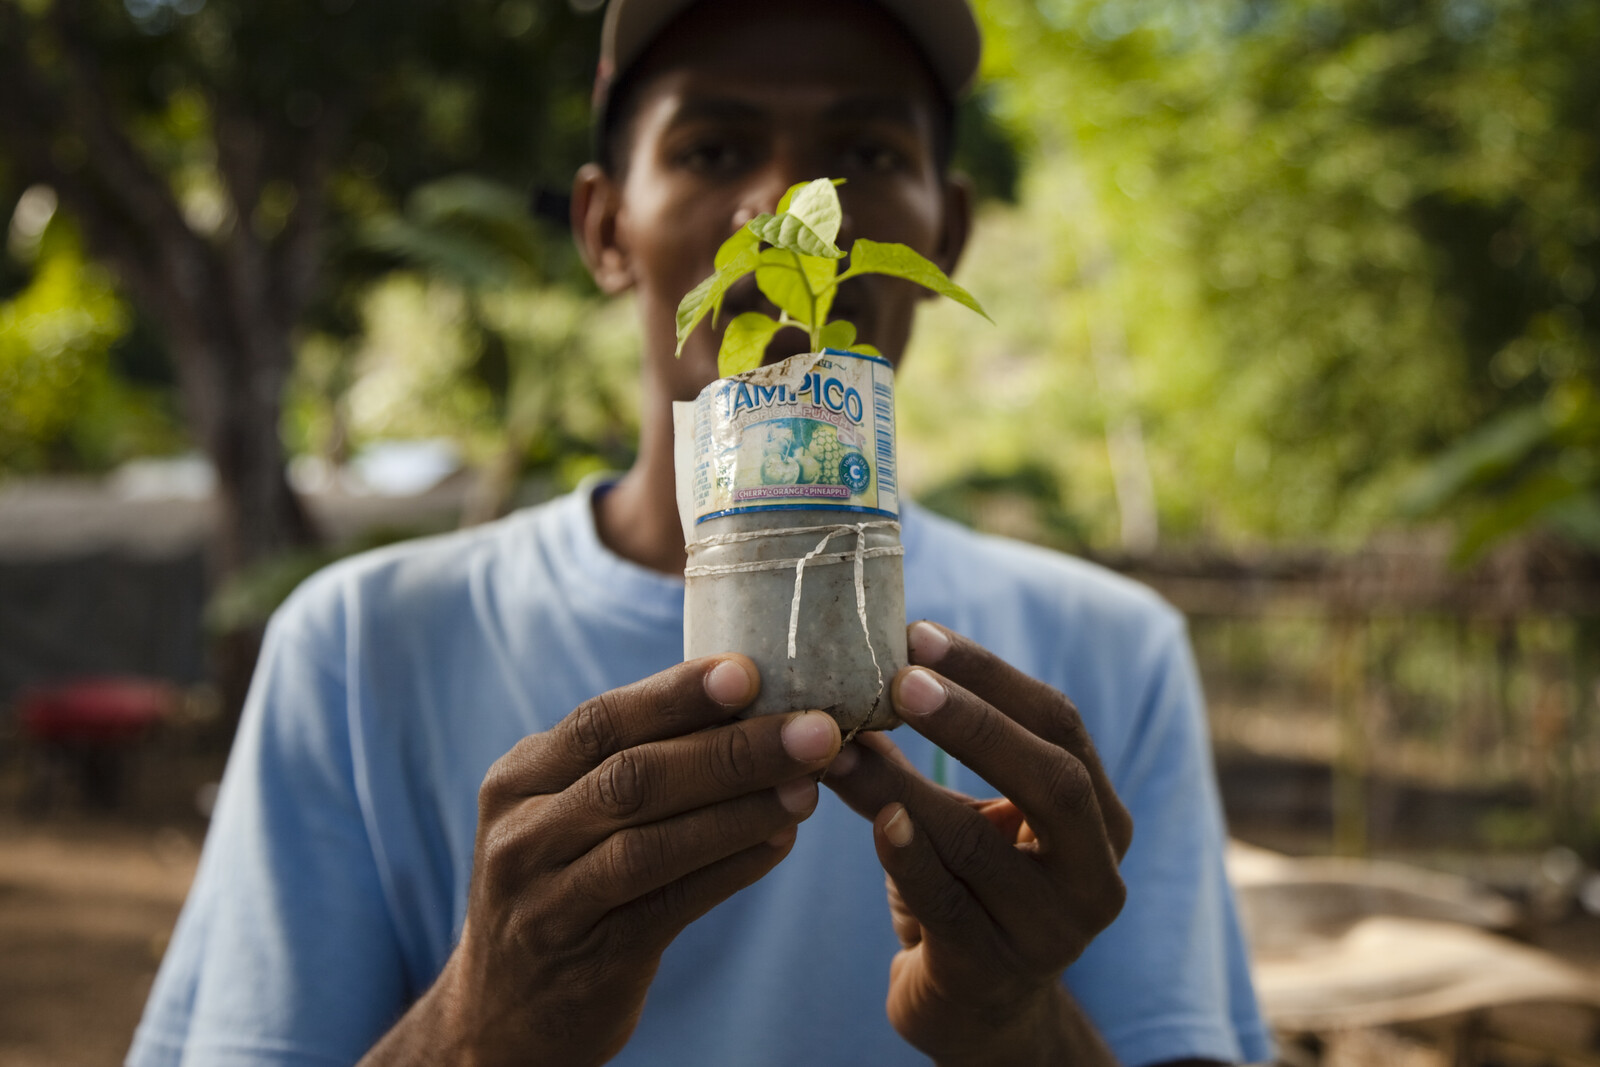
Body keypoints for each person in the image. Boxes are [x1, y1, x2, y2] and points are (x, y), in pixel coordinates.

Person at [128, 1, 1273, 1064]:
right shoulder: (356, 643)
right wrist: (488, 1019)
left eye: (868, 154)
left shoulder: (1114, 648)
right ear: (603, 226)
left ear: (949, 227)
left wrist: (1012, 1017)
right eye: (712, 149)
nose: (784, 208)